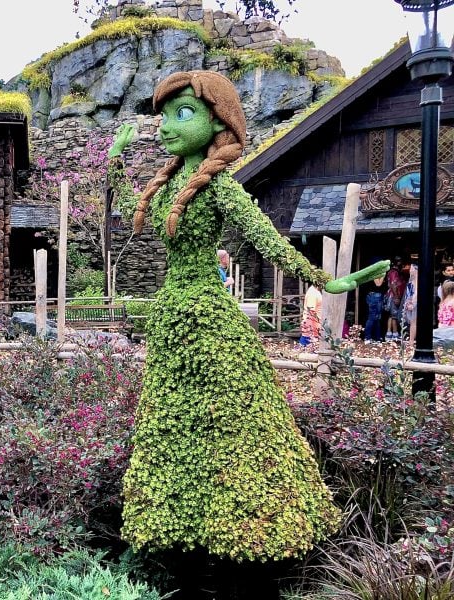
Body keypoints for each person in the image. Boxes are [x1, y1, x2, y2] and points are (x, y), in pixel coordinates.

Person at [107, 70, 387, 562]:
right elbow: (134, 211)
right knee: (173, 421)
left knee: (226, 423)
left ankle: (242, 527)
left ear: (218, 122)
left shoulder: (219, 188)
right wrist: (115, 160)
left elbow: (264, 236)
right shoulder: (172, 184)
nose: (166, 127)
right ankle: (179, 526)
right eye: (165, 116)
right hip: (172, 318)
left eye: (183, 113)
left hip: (211, 324)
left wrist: (325, 281)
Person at [385, 257, 407, 341]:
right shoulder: (394, 272)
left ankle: (389, 333)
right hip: (393, 295)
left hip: (392, 295)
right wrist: (396, 296)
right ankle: (395, 333)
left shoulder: (394, 272)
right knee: (394, 314)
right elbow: (394, 284)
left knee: (391, 315)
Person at [361, 273, 388, 343]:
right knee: (372, 317)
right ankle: (367, 337)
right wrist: (383, 275)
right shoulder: (374, 273)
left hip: (377, 296)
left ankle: (377, 337)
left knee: (377, 318)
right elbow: (378, 284)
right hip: (374, 296)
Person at [402, 263, 418, 344]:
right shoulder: (411, 280)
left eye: (411, 269)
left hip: (415, 302)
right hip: (410, 302)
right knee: (412, 321)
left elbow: (416, 292)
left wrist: (413, 303)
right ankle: (411, 339)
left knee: (414, 322)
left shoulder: (418, 280)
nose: (410, 270)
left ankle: (411, 340)